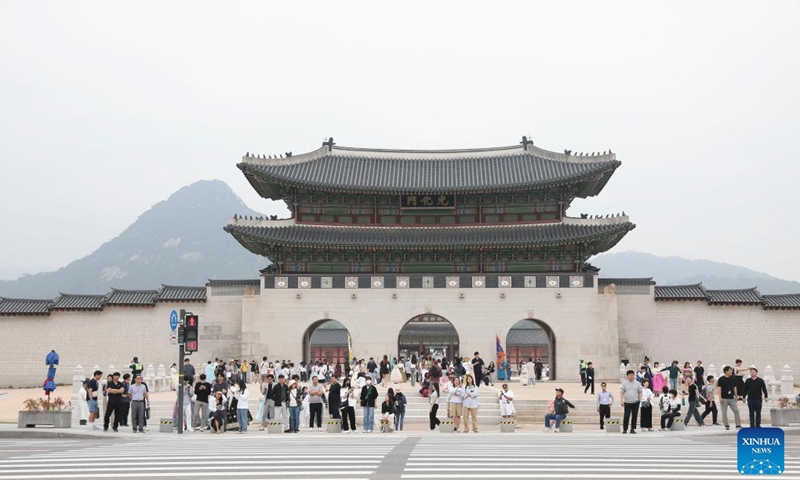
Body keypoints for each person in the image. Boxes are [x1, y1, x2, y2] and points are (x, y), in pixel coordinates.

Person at [717, 366, 742, 430]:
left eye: (731, 370)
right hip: (724, 398)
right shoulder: (721, 379)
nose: (731, 371)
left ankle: (738, 424)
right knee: (724, 412)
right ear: (726, 371)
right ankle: (726, 425)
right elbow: (719, 388)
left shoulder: (733, 378)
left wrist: (736, 396)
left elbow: (735, 387)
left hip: (731, 398)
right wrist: (720, 397)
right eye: (730, 370)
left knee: (736, 411)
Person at [620, 369, 642, 434]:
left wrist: (639, 399)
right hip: (627, 402)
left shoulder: (637, 383)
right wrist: (621, 401)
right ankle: (625, 429)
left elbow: (640, 392)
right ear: (627, 376)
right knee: (626, 415)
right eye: (630, 375)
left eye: (632, 375)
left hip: (635, 402)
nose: (631, 376)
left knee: (634, 416)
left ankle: (633, 429)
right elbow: (621, 392)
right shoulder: (624, 383)